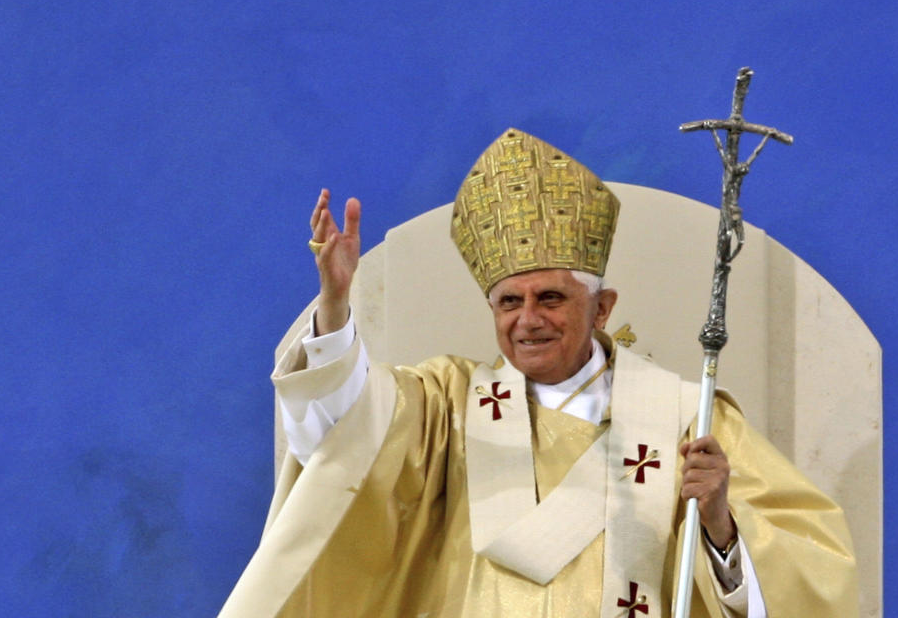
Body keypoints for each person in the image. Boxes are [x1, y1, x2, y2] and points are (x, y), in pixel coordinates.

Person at [220, 129, 857, 617]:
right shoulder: (448, 404)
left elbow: (813, 576)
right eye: (509, 301)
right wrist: (335, 305)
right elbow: (343, 436)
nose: (528, 320)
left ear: (602, 308)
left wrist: (719, 522)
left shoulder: (688, 419)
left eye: (551, 298)